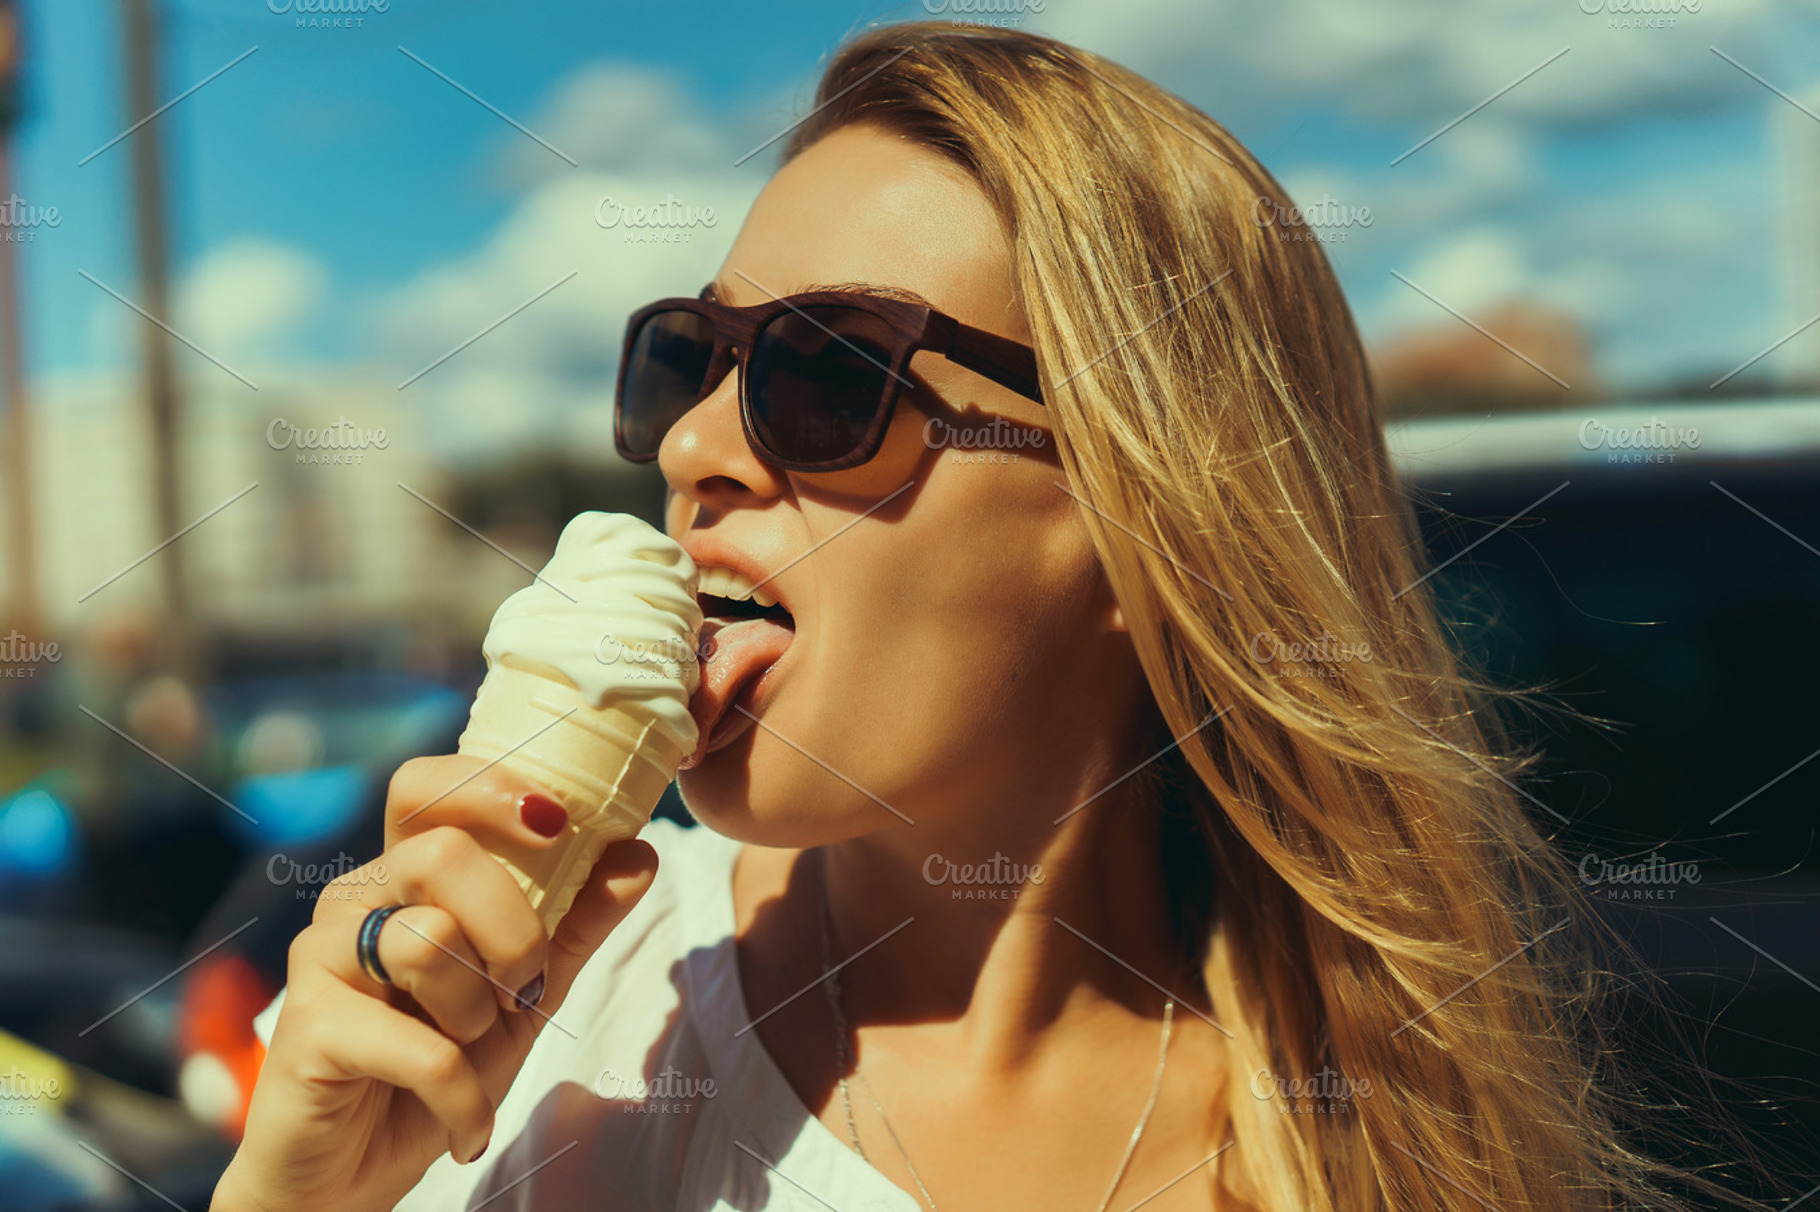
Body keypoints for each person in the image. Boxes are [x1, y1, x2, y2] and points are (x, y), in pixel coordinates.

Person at [211, 23, 1741, 1211]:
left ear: (1149, 530)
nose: (690, 447)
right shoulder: (531, 1039)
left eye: (829, 376)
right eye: (689, 359)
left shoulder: (1375, 1145)